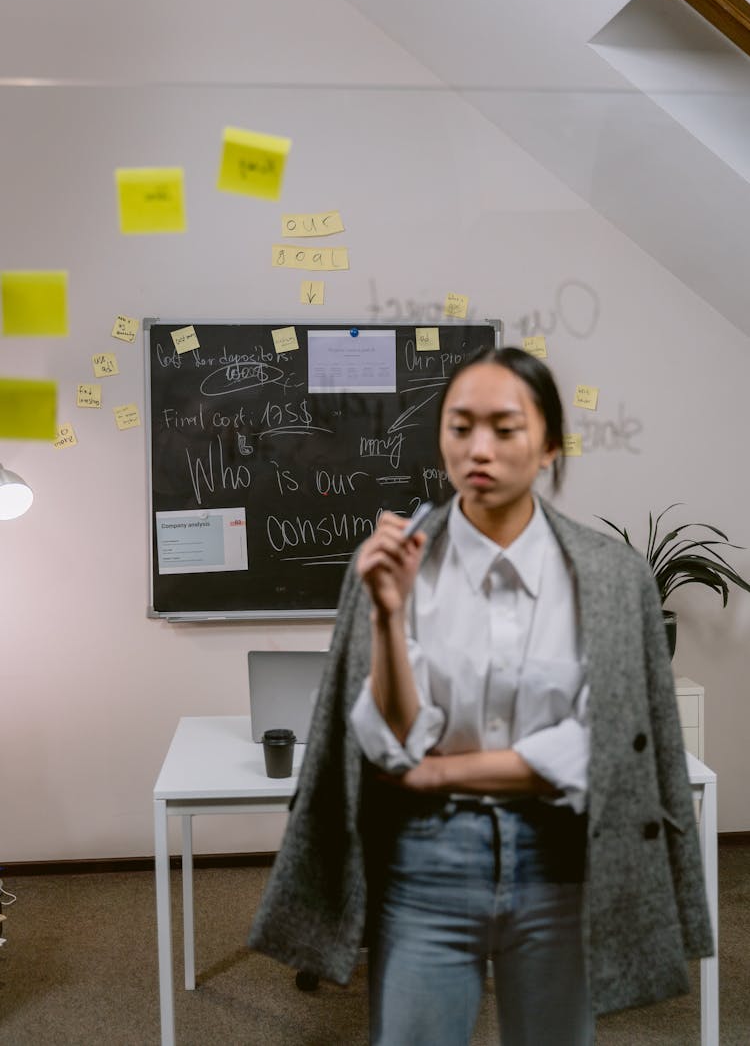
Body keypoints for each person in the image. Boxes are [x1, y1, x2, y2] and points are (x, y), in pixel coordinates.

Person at [250, 346, 713, 1045]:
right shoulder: (395, 562)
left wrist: (440, 770)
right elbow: (392, 741)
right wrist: (387, 611)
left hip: (560, 855)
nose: (479, 449)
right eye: (460, 427)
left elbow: (603, 740)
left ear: (550, 443)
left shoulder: (612, 577)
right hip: (428, 856)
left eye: (506, 427)